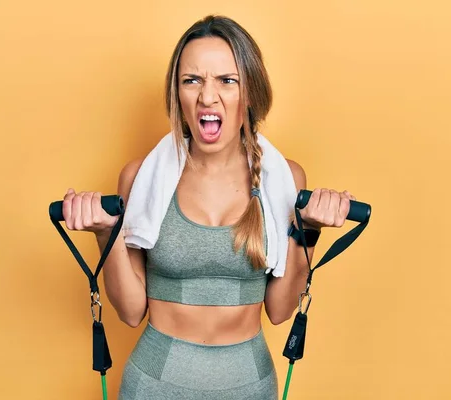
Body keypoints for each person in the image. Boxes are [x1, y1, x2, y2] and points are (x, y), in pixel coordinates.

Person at [62, 15, 355, 400]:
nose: (207, 96)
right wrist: (106, 233)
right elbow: (131, 313)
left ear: (249, 93)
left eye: (226, 80)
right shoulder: (141, 178)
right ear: (177, 93)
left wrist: (309, 230)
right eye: (192, 80)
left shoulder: (285, 179)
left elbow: (280, 310)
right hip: (154, 383)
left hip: (248, 384)